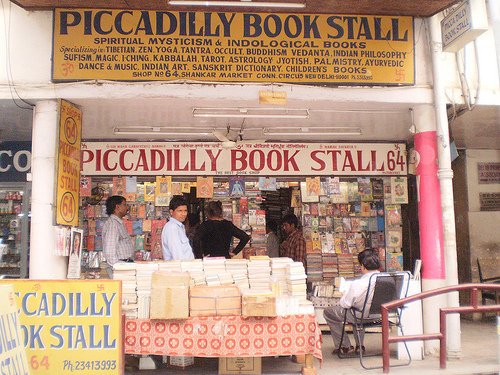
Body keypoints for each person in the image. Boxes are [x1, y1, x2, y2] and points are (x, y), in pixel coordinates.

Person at [323, 249, 381, 355]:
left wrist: (345, 293)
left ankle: (345, 346)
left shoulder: (358, 284)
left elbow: (345, 304)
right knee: (358, 310)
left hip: (359, 316)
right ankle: (359, 346)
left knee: (329, 312)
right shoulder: (388, 279)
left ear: (363, 266)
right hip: (380, 315)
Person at [102, 195, 135, 272]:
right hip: (120, 269)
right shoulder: (113, 224)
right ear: (117, 207)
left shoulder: (118, 223)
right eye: (124, 205)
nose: (127, 208)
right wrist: (119, 269)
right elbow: (110, 252)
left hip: (124, 266)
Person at [161, 195, 194, 260]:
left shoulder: (179, 227)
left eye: (185, 211)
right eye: (180, 211)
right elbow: (177, 255)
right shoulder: (172, 228)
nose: (183, 214)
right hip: (180, 268)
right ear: (171, 212)